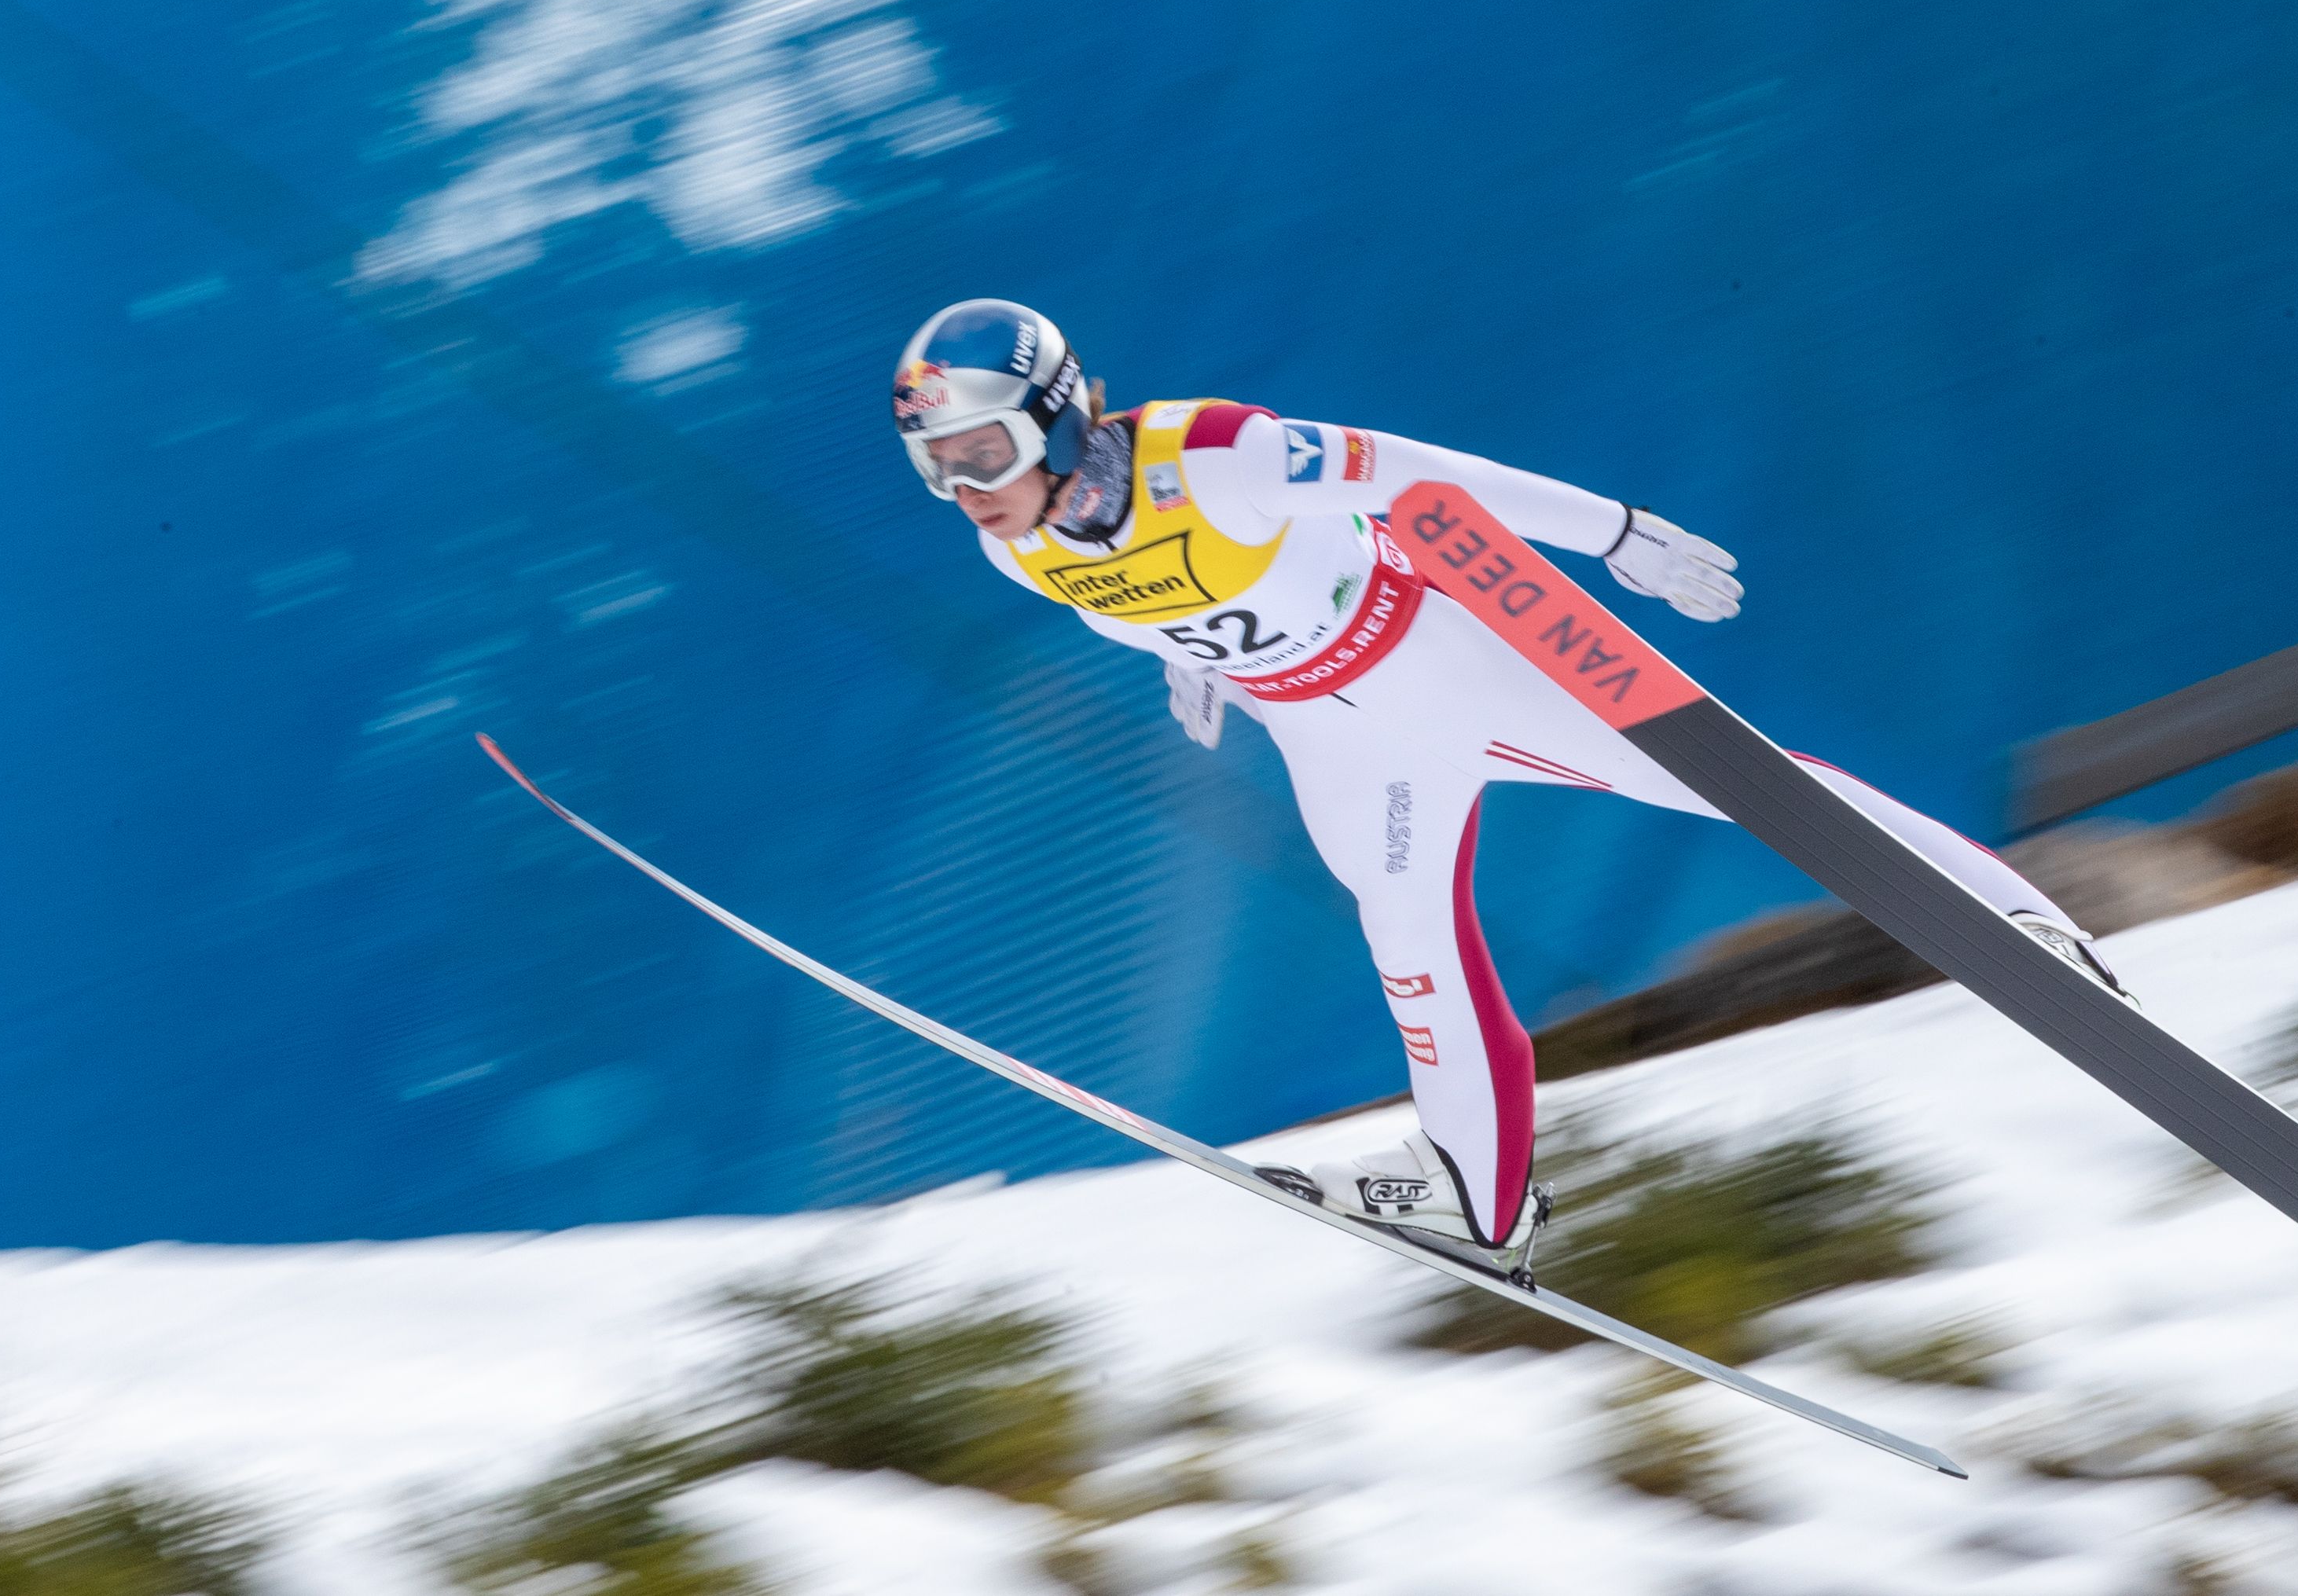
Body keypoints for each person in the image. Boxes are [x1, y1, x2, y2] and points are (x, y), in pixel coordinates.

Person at [894, 298, 2120, 1258]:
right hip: (1333, 739)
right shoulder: (1024, 554)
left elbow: (1418, 476)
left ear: (1055, 417)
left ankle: (2023, 928)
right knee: (1410, 945)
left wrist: (1619, 535)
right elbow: (1153, 601)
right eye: (935, 467)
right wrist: (1193, 667)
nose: (966, 490)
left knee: (1737, 785)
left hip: (1445, 654)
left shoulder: (1212, 454)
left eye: (983, 451)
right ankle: (1479, 1202)